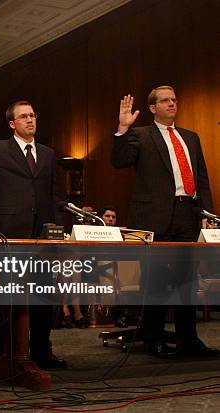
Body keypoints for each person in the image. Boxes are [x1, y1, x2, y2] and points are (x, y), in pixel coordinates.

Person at [111, 86, 218, 358]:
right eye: (165, 100)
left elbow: (202, 179)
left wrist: (207, 214)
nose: (172, 103)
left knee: (187, 281)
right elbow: (120, 160)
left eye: (174, 99)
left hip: (188, 214)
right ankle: (153, 338)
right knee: (155, 280)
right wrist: (123, 129)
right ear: (152, 108)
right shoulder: (140, 134)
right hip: (153, 218)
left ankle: (188, 340)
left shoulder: (190, 138)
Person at [0, 101, 65, 368]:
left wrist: (57, 231)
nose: (30, 120)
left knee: (43, 297)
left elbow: (55, 196)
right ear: (12, 123)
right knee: (11, 298)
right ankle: (8, 350)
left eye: (32, 115)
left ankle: (41, 351)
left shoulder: (48, 154)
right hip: (11, 235)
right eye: (23, 116)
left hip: (42, 236)